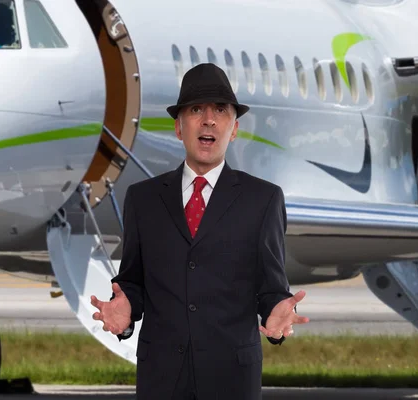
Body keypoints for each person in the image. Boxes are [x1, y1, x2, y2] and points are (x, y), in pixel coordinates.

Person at [90, 63, 310, 400]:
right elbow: (133, 281)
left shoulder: (262, 200)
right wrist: (127, 312)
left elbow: (270, 286)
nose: (208, 119)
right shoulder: (143, 199)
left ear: (234, 129)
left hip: (232, 379)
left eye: (220, 110)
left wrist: (278, 314)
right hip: (161, 379)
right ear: (179, 128)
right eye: (196, 110)